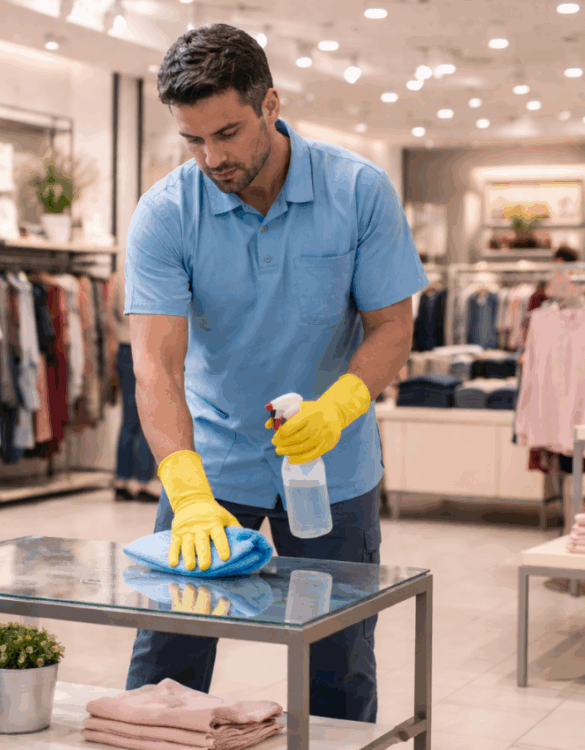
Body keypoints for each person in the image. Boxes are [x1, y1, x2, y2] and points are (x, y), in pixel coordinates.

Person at [122, 24, 428, 723]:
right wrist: (184, 486)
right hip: (213, 466)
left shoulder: (359, 192)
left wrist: (341, 406)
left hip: (333, 466)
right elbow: (157, 369)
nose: (211, 157)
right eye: (193, 140)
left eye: (226, 133)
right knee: (168, 657)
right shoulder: (167, 212)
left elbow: (392, 327)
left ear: (270, 105)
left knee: (337, 663)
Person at [111, 271, 161, 501]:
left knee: (128, 416)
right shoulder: (151, 273)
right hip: (147, 348)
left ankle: (121, 480)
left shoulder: (118, 276)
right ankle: (142, 482)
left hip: (124, 347)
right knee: (147, 416)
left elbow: (108, 315)